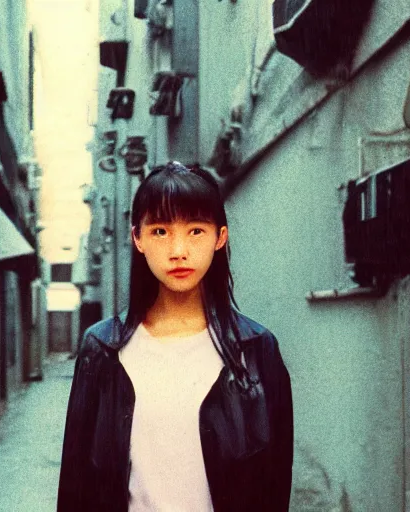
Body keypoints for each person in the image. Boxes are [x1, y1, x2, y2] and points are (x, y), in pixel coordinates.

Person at [57, 161, 293, 511]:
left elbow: (275, 485)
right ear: (138, 238)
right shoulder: (103, 350)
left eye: (195, 231)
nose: (178, 250)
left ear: (220, 237)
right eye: (160, 232)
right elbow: (76, 486)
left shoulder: (257, 350)